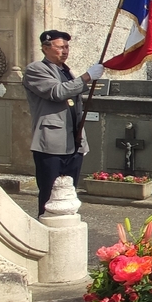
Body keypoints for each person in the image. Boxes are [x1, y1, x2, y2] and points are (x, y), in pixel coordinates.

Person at [23, 29, 106, 216]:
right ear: (46, 48)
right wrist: (86, 77)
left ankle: (66, 223)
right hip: (51, 142)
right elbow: (57, 92)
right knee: (50, 193)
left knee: (69, 192)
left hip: (73, 141)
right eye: (60, 47)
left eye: (67, 47)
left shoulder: (66, 71)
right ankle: (46, 223)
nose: (65, 51)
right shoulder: (36, 69)